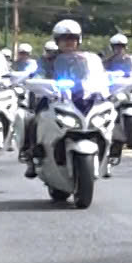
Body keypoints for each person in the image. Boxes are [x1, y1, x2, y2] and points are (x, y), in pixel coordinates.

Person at [24, 20, 90, 178]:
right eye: (64, 38)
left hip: (81, 98)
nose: (68, 42)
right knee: (32, 119)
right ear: (57, 41)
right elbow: (39, 73)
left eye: (72, 38)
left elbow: (94, 75)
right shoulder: (47, 60)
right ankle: (32, 155)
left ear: (78, 40)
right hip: (52, 97)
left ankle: (110, 149)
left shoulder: (85, 59)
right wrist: (39, 80)